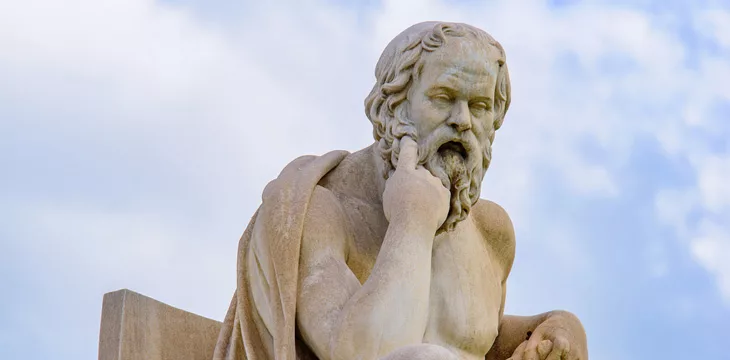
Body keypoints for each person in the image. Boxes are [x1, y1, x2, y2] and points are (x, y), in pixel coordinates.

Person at [213, 21, 588, 360]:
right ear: (392, 106)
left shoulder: (490, 233)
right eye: (443, 98)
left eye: (479, 106)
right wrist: (413, 221)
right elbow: (367, 353)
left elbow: (471, 341)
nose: (462, 121)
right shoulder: (314, 209)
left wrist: (555, 327)